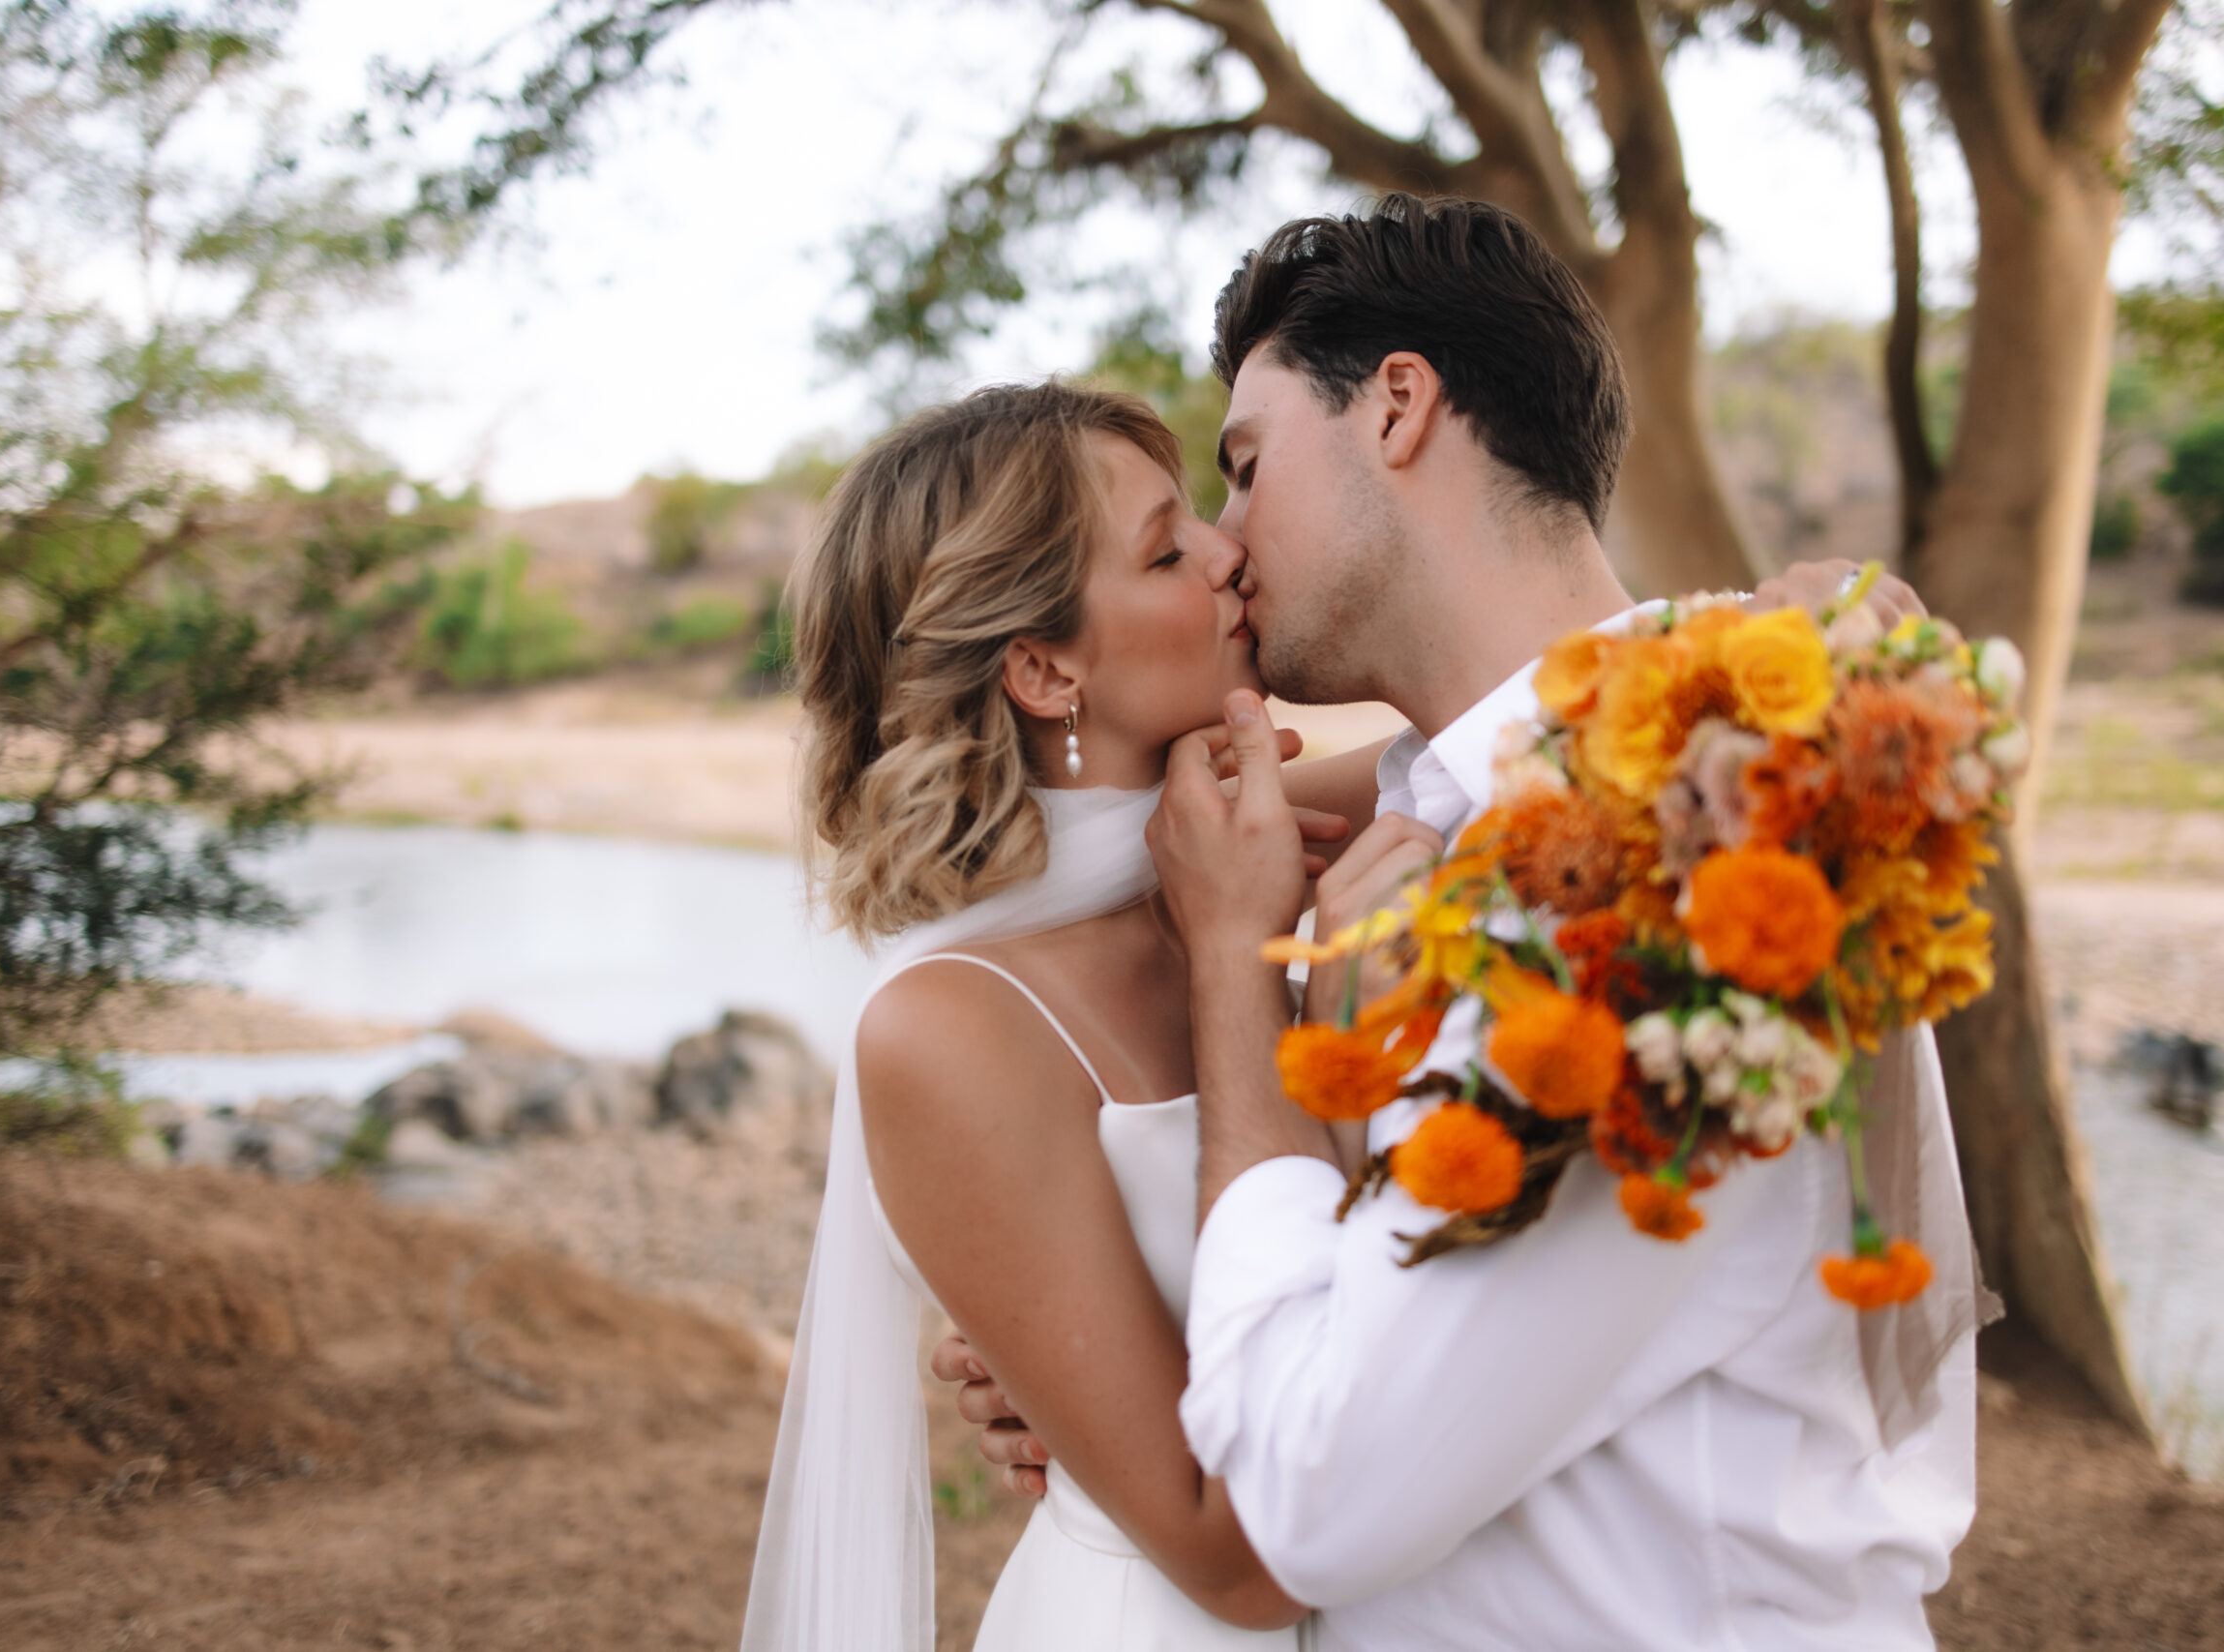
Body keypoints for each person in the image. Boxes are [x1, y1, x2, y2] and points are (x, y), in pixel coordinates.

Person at [945, 195, 1984, 1650]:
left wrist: (1249, 987)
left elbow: (1306, 1501)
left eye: (1245, 470)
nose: (1230, 546)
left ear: (1399, 407)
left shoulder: (1672, 856)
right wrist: (1110, 1359)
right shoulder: (1506, 807)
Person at [741, 378, 1394, 1652]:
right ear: (1043, 668)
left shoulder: (1243, 845)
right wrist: (1232, 958)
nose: (1229, 550)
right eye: (1166, 549)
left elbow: (1536, 730)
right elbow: (1238, 1563)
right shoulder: (952, 1027)